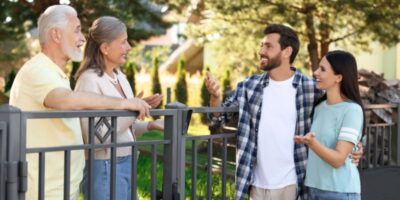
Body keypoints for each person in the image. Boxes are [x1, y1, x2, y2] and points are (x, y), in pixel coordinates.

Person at [205, 24, 363, 200]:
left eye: (268, 46)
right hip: (255, 184)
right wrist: (215, 97)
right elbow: (217, 119)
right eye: (261, 45)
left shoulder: (311, 89)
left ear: (287, 51)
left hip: (294, 184)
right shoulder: (248, 87)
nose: (261, 51)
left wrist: (356, 145)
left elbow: (344, 114)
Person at [9, 5, 151, 200]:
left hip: (62, 188)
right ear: (56, 34)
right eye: (76, 30)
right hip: (43, 191)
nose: (83, 38)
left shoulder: (56, 74)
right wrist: (122, 104)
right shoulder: (38, 70)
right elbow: (65, 100)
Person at [74, 16, 163, 200]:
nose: (129, 47)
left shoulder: (120, 77)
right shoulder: (89, 80)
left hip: (126, 163)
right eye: (123, 42)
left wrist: (149, 125)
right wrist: (133, 110)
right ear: (105, 48)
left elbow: (121, 131)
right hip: (104, 168)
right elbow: (95, 138)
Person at [294, 50, 364, 200]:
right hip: (313, 189)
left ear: (338, 77)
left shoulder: (352, 110)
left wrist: (312, 143)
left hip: (339, 191)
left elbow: (338, 160)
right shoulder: (319, 107)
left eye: (323, 69)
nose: (315, 72)